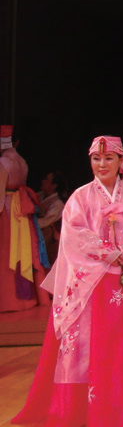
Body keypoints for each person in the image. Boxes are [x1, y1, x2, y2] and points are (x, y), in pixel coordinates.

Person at [14, 136, 123, 427]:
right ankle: (85, 411)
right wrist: (109, 253)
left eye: (109, 158)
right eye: (96, 159)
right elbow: (74, 236)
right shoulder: (80, 198)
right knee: (91, 348)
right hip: (93, 285)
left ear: (121, 161)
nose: (102, 164)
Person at [1, 125, 49, 311]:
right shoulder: (22, 161)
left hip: (8, 211)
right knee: (25, 252)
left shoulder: (3, 161)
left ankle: (9, 299)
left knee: (8, 252)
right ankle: (26, 298)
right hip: (21, 211)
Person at [37, 171, 67, 263]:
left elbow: (45, 222)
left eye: (47, 180)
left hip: (48, 239)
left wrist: (28, 221)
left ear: (54, 186)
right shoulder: (39, 195)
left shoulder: (57, 204)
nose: (43, 181)